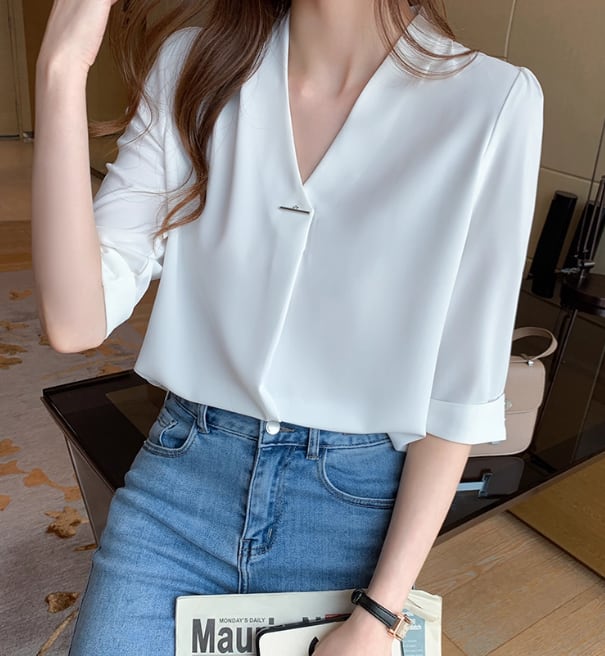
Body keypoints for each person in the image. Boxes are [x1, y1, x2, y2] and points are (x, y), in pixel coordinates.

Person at [31, 0, 543, 654]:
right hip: (180, 490)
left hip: (353, 513)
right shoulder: (192, 65)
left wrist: (380, 612)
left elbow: (458, 394)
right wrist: (61, 68)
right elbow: (75, 321)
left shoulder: (491, 100)